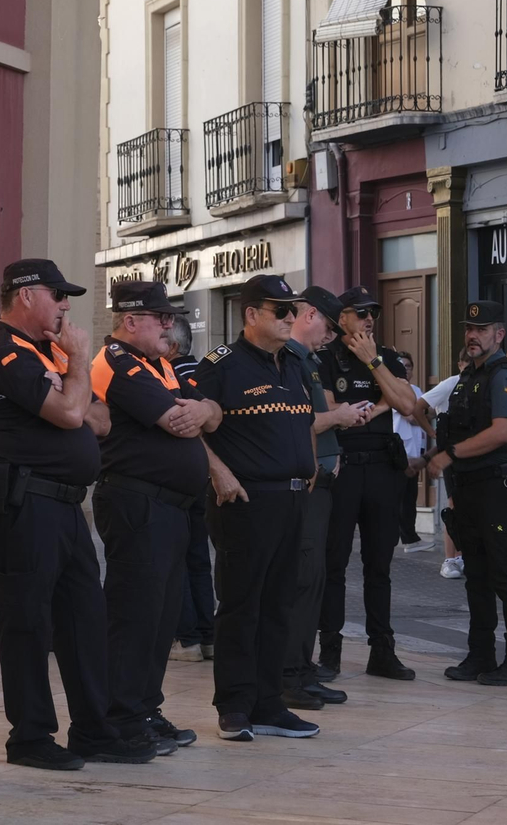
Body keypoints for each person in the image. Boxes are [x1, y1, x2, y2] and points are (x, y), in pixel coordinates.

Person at [0, 259, 155, 769]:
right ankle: (30, 737)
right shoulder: (5, 348)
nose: (66, 306)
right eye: (58, 295)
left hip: (66, 502)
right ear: (27, 295)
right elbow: (75, 414)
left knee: (84, 620)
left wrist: (71, 389)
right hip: (25, 500)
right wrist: (75, 370)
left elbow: (99, 417)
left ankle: (93, 730)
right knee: (28, 621)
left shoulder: (49, 350)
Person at [91, 282, 221, 752]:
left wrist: (206, 407)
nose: (171, 325)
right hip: (136, 502)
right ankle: (120, 718)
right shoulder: (117, 362)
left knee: (163, 617)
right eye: (161, 317)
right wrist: (198, 413)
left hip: (171, 506)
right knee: (134, 616)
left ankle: (145, 707)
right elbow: (174, 419)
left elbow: (212, 413)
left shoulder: (160, 362)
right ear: (130, 321)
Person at [192, 273, 322, 742]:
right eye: (280, 311)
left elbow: (303, 421)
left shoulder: (293, 364)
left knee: (279, 605)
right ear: (251, 315)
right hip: (245, 500)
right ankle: (234, 705)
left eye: (293, 310)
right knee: (241, 605)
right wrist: (217, 472)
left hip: (291, 498)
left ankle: (269, 702)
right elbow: (193, 426)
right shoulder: (220, 365)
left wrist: (308, 465)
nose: (291, 318)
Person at [425, 300, 507, 688]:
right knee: (477, 576)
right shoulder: (470, 376)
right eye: (469, 329)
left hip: (497, 488)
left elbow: (502, 431)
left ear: (499, 334)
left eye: (482, 329)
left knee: (505, 576)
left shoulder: (502, 374)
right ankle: (481, 653)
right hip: (471, 490)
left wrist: (449, 455)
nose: (472, 335)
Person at [314, 286, 417, 682]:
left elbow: (407, 404)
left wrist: (372, 363)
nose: (369, 318)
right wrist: (380, 402)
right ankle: (331, 651)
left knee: (380, 565)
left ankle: (382, 651)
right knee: (334, 562)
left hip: (381, 470)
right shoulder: (325, 358)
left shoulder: (384, 356)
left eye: (372, 312)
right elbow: (329, 408)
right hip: (343, 469)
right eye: (360, 313)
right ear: (342, 319)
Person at [279, 286, 362, 711]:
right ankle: (290, 675)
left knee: (314, 581)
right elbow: (299, 422)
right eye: (328, 327)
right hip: (306, 485)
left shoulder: (308, 361)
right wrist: (340, 416)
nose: (330, 337)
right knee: (303, 579)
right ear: (308, 314)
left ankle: (302, 670)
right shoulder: (290, 359)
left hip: (322, 483)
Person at [167, 318, 216, 663]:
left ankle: (187, 639)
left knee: (178, 559)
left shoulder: (171, 377)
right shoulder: (208, 369)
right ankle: (208, 635)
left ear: (171, 346)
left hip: (182, 475)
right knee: (198, 558)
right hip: (207, 478)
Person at [424, 350, 471, 579]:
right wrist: (431, 432)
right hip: (451, 455)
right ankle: (449, 559)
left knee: (470, 507)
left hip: (473, 454)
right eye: (467, 363)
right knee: (454, 506)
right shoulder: (450, 384)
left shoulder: (482, 384)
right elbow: (418, 406)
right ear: (460, 363)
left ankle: (463, 556)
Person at [395, 351, 429, 549]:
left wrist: (424, 417)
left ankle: (410, 536)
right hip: (402, 450)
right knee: (401, 497)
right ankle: (407, 537)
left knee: (410, 496)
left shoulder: (417, 390)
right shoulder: (393, 389)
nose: (405, 369)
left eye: (408, 366)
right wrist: (424, 418)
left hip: (416, 451)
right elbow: (411, 416)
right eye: (402, 365)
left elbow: (429, 412)